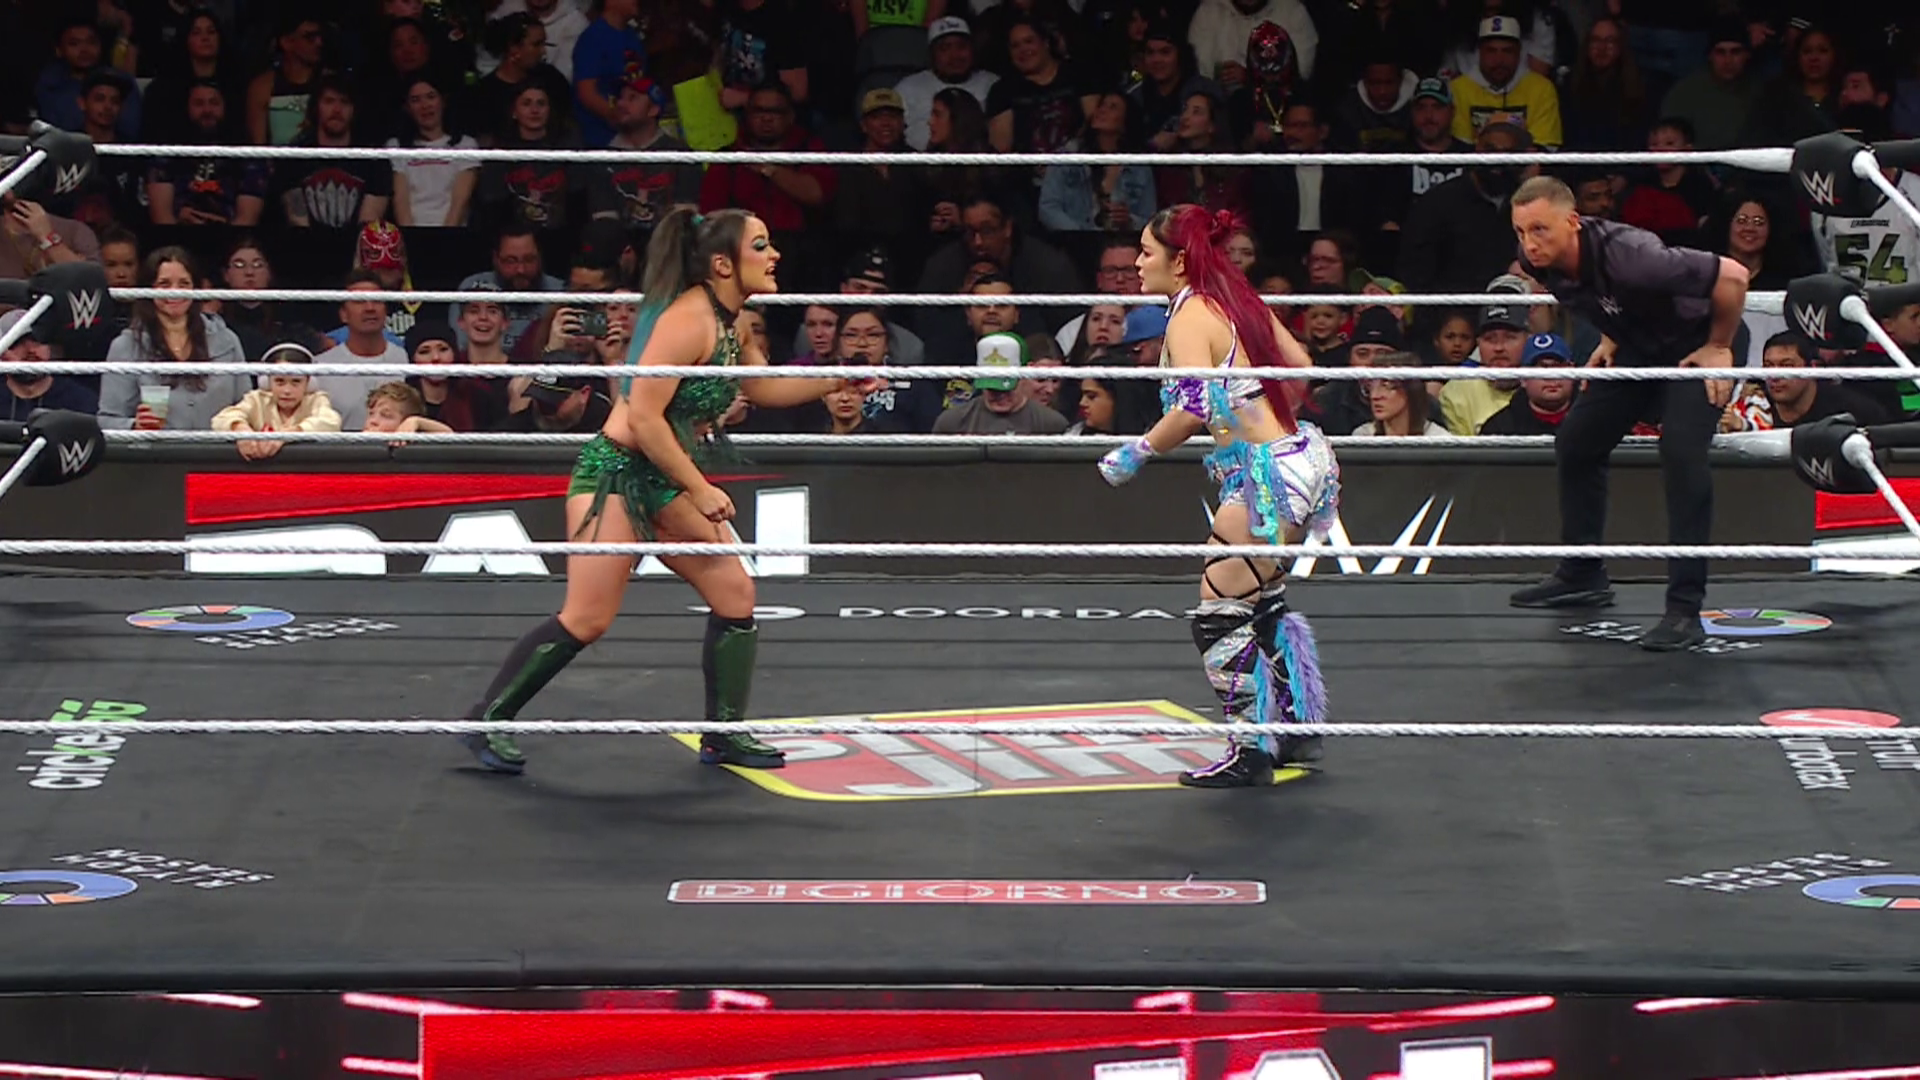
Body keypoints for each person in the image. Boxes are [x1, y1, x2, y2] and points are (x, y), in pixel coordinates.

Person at [457, 207, 879, 775]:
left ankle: (723, 734)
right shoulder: (687, 321)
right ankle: (488, 718)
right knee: (587, 618)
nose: (775, 254)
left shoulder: (733, 320)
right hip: (617, 474)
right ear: (724, 263)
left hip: (663, 476)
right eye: (761, 245)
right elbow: (644, 418)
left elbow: (758, 387)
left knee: (735, 594)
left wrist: (836, 379)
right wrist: (699, 488)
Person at [1096, 205, 1338, 788]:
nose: (1137, 263)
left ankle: (1250, 748)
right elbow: (1302, 365)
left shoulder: (1189, 314)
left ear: (1179, 261)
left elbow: (1192, 409)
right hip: (1301, 458)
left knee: (1218, 615)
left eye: (1147, 252)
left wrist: (1136, 452)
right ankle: (1295, 729)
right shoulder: (1237, 297)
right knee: (1261, 602)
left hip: (1265, 477)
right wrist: (1252, 404)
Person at [1506, 176, 1750, 652]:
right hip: (1640, 347)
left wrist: (1719, 345)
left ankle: (1684, 609)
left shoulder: (1634, 255)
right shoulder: (1542, 262)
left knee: (1681, 452)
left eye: (1539, 229)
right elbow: (1600, 298)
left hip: (1698, 342)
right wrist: (1611, 336)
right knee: (1577, 440)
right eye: (1520, 231)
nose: (1529, 243)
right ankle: (1582, 572)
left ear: (1573, 222)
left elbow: (1735, 275)